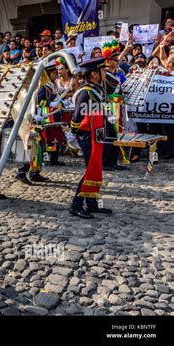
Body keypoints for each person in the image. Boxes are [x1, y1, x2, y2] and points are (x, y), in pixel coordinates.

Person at [69, 58, 113, 219]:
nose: (105, 73)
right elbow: (77, 116)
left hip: (98, 133)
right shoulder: (86, 91)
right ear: (94, 74)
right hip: (88, 135)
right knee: (90, 169)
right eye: (102, 70)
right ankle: (76, 205)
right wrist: (77, 132)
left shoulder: (97, 89)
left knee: (96, 167)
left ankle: (92, 204)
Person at [101, 40, 129, 171]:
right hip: (108, 108)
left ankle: (112, 161)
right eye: (115, 58)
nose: (118, 59)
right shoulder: (104, 74)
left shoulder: (116, 73)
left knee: (114, 134)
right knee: (109, 133)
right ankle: (106, 162)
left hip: (117, 107)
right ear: (108, 59)